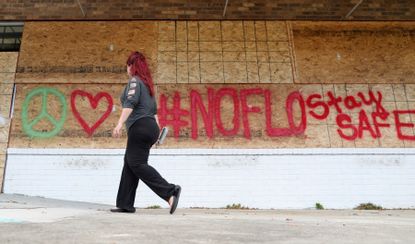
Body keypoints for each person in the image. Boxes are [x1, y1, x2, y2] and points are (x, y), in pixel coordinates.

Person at [111, 51, 181, 214]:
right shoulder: (148, 85)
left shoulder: (135, 82)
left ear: (132, 66)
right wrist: (156, 134)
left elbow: (130, 103)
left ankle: (170, 191)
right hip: (150, 127)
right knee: (130, 163)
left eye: (128, 65)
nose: (126, 68)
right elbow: (154, 112)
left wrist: (119, 124)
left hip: (140, 127)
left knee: (137, 164)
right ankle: (125, 204)